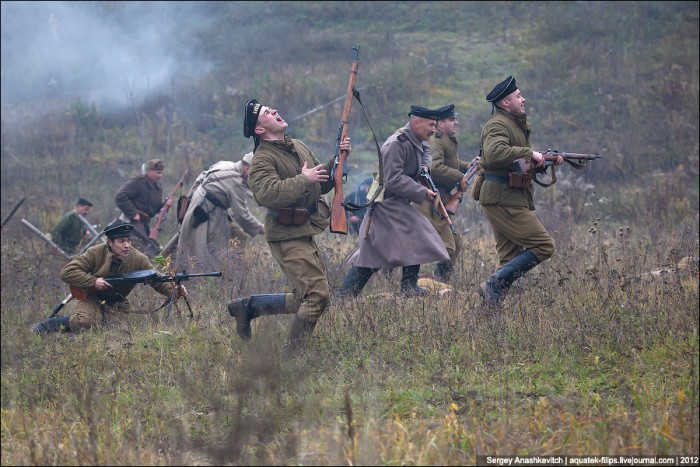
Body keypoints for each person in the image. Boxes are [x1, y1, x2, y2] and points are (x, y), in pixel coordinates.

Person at [226, 99, 351, 352]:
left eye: (270, 108)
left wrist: (337, 159)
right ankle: (292, 356)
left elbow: (320, 184)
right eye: (265, 113)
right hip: (285, 235)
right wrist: (303, 179)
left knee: (306, 297)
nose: (273, 110)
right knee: (317, 295)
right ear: (259, 130)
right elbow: (267, 195)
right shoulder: (262, 160)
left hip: (304, 230)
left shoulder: (298, 146)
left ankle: (247, 308)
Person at [339, 105, 449, 297]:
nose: (434, 129)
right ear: (416, 123)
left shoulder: (418, 139)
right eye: (431, 124)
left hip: (397, 201)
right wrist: (422, 192)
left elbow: (427, 153)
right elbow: (394, 179)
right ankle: (408, 285)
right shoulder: (396, 144)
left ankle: (344, 297)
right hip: (385, 202)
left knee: (371, 256)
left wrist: (424, 169)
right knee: (417, 231)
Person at [476, 76, 563, 307]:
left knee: (510, 258)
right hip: (503, 197)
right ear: (505, 103)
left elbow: (515, 162)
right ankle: (493, 286)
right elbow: (494, 154)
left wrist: (544, 162)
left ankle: (489, 311)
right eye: (518, 96)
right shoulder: (498, 124)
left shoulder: (513, 123)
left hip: (509, 195)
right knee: (544, 246)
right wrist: (529, 152)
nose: (523, 99)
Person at [32, 222, 187, 334]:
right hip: (91, 296)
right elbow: (67, 272)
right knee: (85, 322)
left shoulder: (139, 258)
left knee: (117, 332)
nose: (126, 245)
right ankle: (49, 325)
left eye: (128, 240)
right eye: (121, 241)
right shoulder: (95, 252)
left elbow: (156, 279)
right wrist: (93, 281)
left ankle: (77, 330)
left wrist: (174, 290)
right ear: (110, 243)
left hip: (117, 300)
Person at [175, 152, 265, 271]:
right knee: (201, 252)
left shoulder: (225, 164)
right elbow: (242, 215)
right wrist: (260, 228)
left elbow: (202, 176)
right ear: (247, 168)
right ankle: (211, 276)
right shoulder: (236, 182)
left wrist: (191, 199)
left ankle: (236, 269)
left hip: (199, 206)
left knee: (238, 235)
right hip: (206, 214)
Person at [415, 104, 470, 282]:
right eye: (452, 120)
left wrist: (467, 166)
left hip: (439, 199)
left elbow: (450, 162)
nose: (457, 123)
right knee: (442, 246)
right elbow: (435, 168)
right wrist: (460, 177)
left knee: (455, 243)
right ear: (440, 124)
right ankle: (411, 280)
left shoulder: (447, 140)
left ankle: (440, 281)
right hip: (428, 201)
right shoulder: (437, 140)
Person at [114, 158, 166, 257]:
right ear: (149, 171)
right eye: (158, 173)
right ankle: (159, 268)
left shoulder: (158, 187)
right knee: (147, 250)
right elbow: (120, 196)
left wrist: (165, 205)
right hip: (129, 224)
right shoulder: (137, 183)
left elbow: (153, 209)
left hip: (144, 224)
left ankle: (161, 268)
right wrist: (134, 213)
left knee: (151, 249)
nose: (160, 176)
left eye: (161, 173)